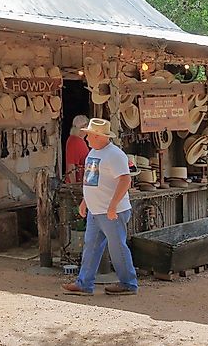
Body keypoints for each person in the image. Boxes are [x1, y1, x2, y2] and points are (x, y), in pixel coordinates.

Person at [62, 118, 138, 296]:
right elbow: (91, 180)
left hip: (111, 211)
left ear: (97, 136)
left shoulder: (115, 155)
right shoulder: (93, 152)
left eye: (89, 135)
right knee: (92, 246)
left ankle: (128, 283)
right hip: (98, 210)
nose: (86, 138)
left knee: (116, 247)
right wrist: (85, 201)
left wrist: (112, 206)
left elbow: (125, 180)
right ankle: (84, 284)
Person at [65, 115, 90, 183]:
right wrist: (74, 185)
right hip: (78, 181)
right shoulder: (74, 141)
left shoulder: (79, 140)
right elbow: (71, 165)